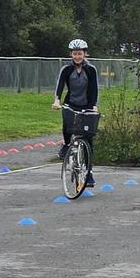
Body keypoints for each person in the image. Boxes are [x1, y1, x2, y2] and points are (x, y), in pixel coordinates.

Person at [53, 38, 100, 188]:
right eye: (75, 54)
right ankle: (66, 145)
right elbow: (60, 85)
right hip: (71, 103)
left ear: (85, 54)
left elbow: (94, 89)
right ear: (71, 54)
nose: (77, 56)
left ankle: (89, 174)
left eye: (80, 53)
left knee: (88, 139)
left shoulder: (90, 69)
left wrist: (93, 106)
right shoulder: (66, 69)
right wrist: (57, 100)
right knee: (67, 124)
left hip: (86, 105)